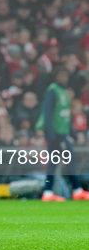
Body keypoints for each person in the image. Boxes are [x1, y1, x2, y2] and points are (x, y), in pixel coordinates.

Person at [35, 67, 89, 201]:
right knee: (65, 162)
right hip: (57, 134)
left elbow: (65, 116)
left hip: (64, 133)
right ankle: (75, 190)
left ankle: (49, 192)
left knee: (57, 163)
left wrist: (73, 133)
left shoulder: (65, 92)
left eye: (66, 76)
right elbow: (47, 113)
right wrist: (51, 134)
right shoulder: (52, 90)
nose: (64, 78)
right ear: (56, 76)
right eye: (61, 75)